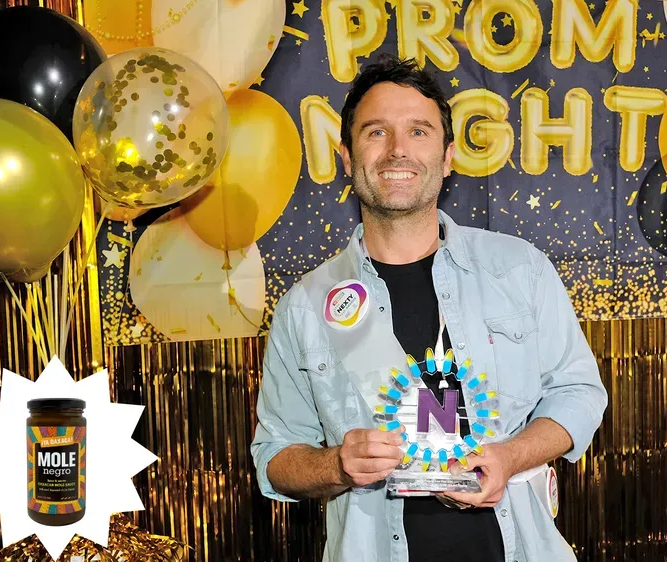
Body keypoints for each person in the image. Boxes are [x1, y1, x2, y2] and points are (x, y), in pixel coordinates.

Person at [250, 54, 607, 562]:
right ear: (347, 158)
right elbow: (275, 457)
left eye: (418, 131)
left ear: (448, 156)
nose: (398, 149)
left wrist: (509, 457)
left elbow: (579, 393)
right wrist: (336, 465)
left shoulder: (518, 269)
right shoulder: (305, 307)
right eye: (376, 132)